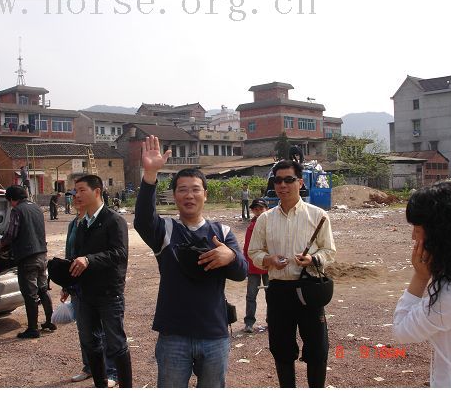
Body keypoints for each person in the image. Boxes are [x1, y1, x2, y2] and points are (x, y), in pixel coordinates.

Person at [134, 135, 247, 388]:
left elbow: (242, 272)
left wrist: (230, 256)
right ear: (174, 195)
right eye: (182, 189)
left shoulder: (223, 232)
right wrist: (150, 174)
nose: (189, 195)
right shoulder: (165, 230)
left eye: (195, 189)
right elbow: (142, 220)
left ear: (205, 195)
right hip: (174, 334)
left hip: (214, 334)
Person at [248, 159, 336, 388]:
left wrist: (313, 259)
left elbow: (329, 251)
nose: (282, 185)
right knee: (281, 349)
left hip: (309, 290)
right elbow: (253, 252)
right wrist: (268, 259)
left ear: (299, 182)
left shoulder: (318, 215)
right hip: (279, 291)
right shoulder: (264, 219)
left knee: (317, 349)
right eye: (277, 180)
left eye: (288, 180)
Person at [393, 181, 451, 388]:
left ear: (439, 234)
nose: (413, 237)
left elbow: (402, 331)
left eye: (417, 229)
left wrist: (420, 277)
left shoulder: (450, 296)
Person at [70, 174, 132, 388]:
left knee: (115, 344)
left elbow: (120, 253)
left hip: (109, 293)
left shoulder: (114, 220)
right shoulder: (82, 223)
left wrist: (89, 260)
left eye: (81, 190)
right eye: (75, 190)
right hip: (85, 293)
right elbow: (77, 255)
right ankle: (101, 384)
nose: (76, 195)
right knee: (90, 342)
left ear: (97, 192)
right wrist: (68, 282)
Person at [61, 196, 117, 387]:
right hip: (77, 284)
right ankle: (90, 367)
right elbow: (70, 254)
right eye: (75, 196)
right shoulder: (73, 224)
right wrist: (66, 285)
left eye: (81, 195)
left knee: (103, 331)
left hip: (97, 285)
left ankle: (110, 371)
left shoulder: (101, 223)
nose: (77, 199)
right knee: (84, 330)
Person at [0, 185, 55, 339]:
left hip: (27, 257)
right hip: (42, 255)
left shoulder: (17, 210)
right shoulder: (36, 208)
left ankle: (32, 329)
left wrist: (1, 244)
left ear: (12, 199)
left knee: (30, 294)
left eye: (9, 201)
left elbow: (11, 234)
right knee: (43, 289)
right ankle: (50, 322)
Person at [243, 198, 269, 333]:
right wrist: (245, 263)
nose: (258, 212)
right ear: (252, 211)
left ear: (266, 209)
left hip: (269, 266)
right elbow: (247, 247)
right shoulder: (251, 226)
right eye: (255, 209)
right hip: (253, 266)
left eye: (261, 209)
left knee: (271, 295)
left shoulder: (271, 224)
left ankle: (272, 321)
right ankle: (249, 323)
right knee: (251, 296)